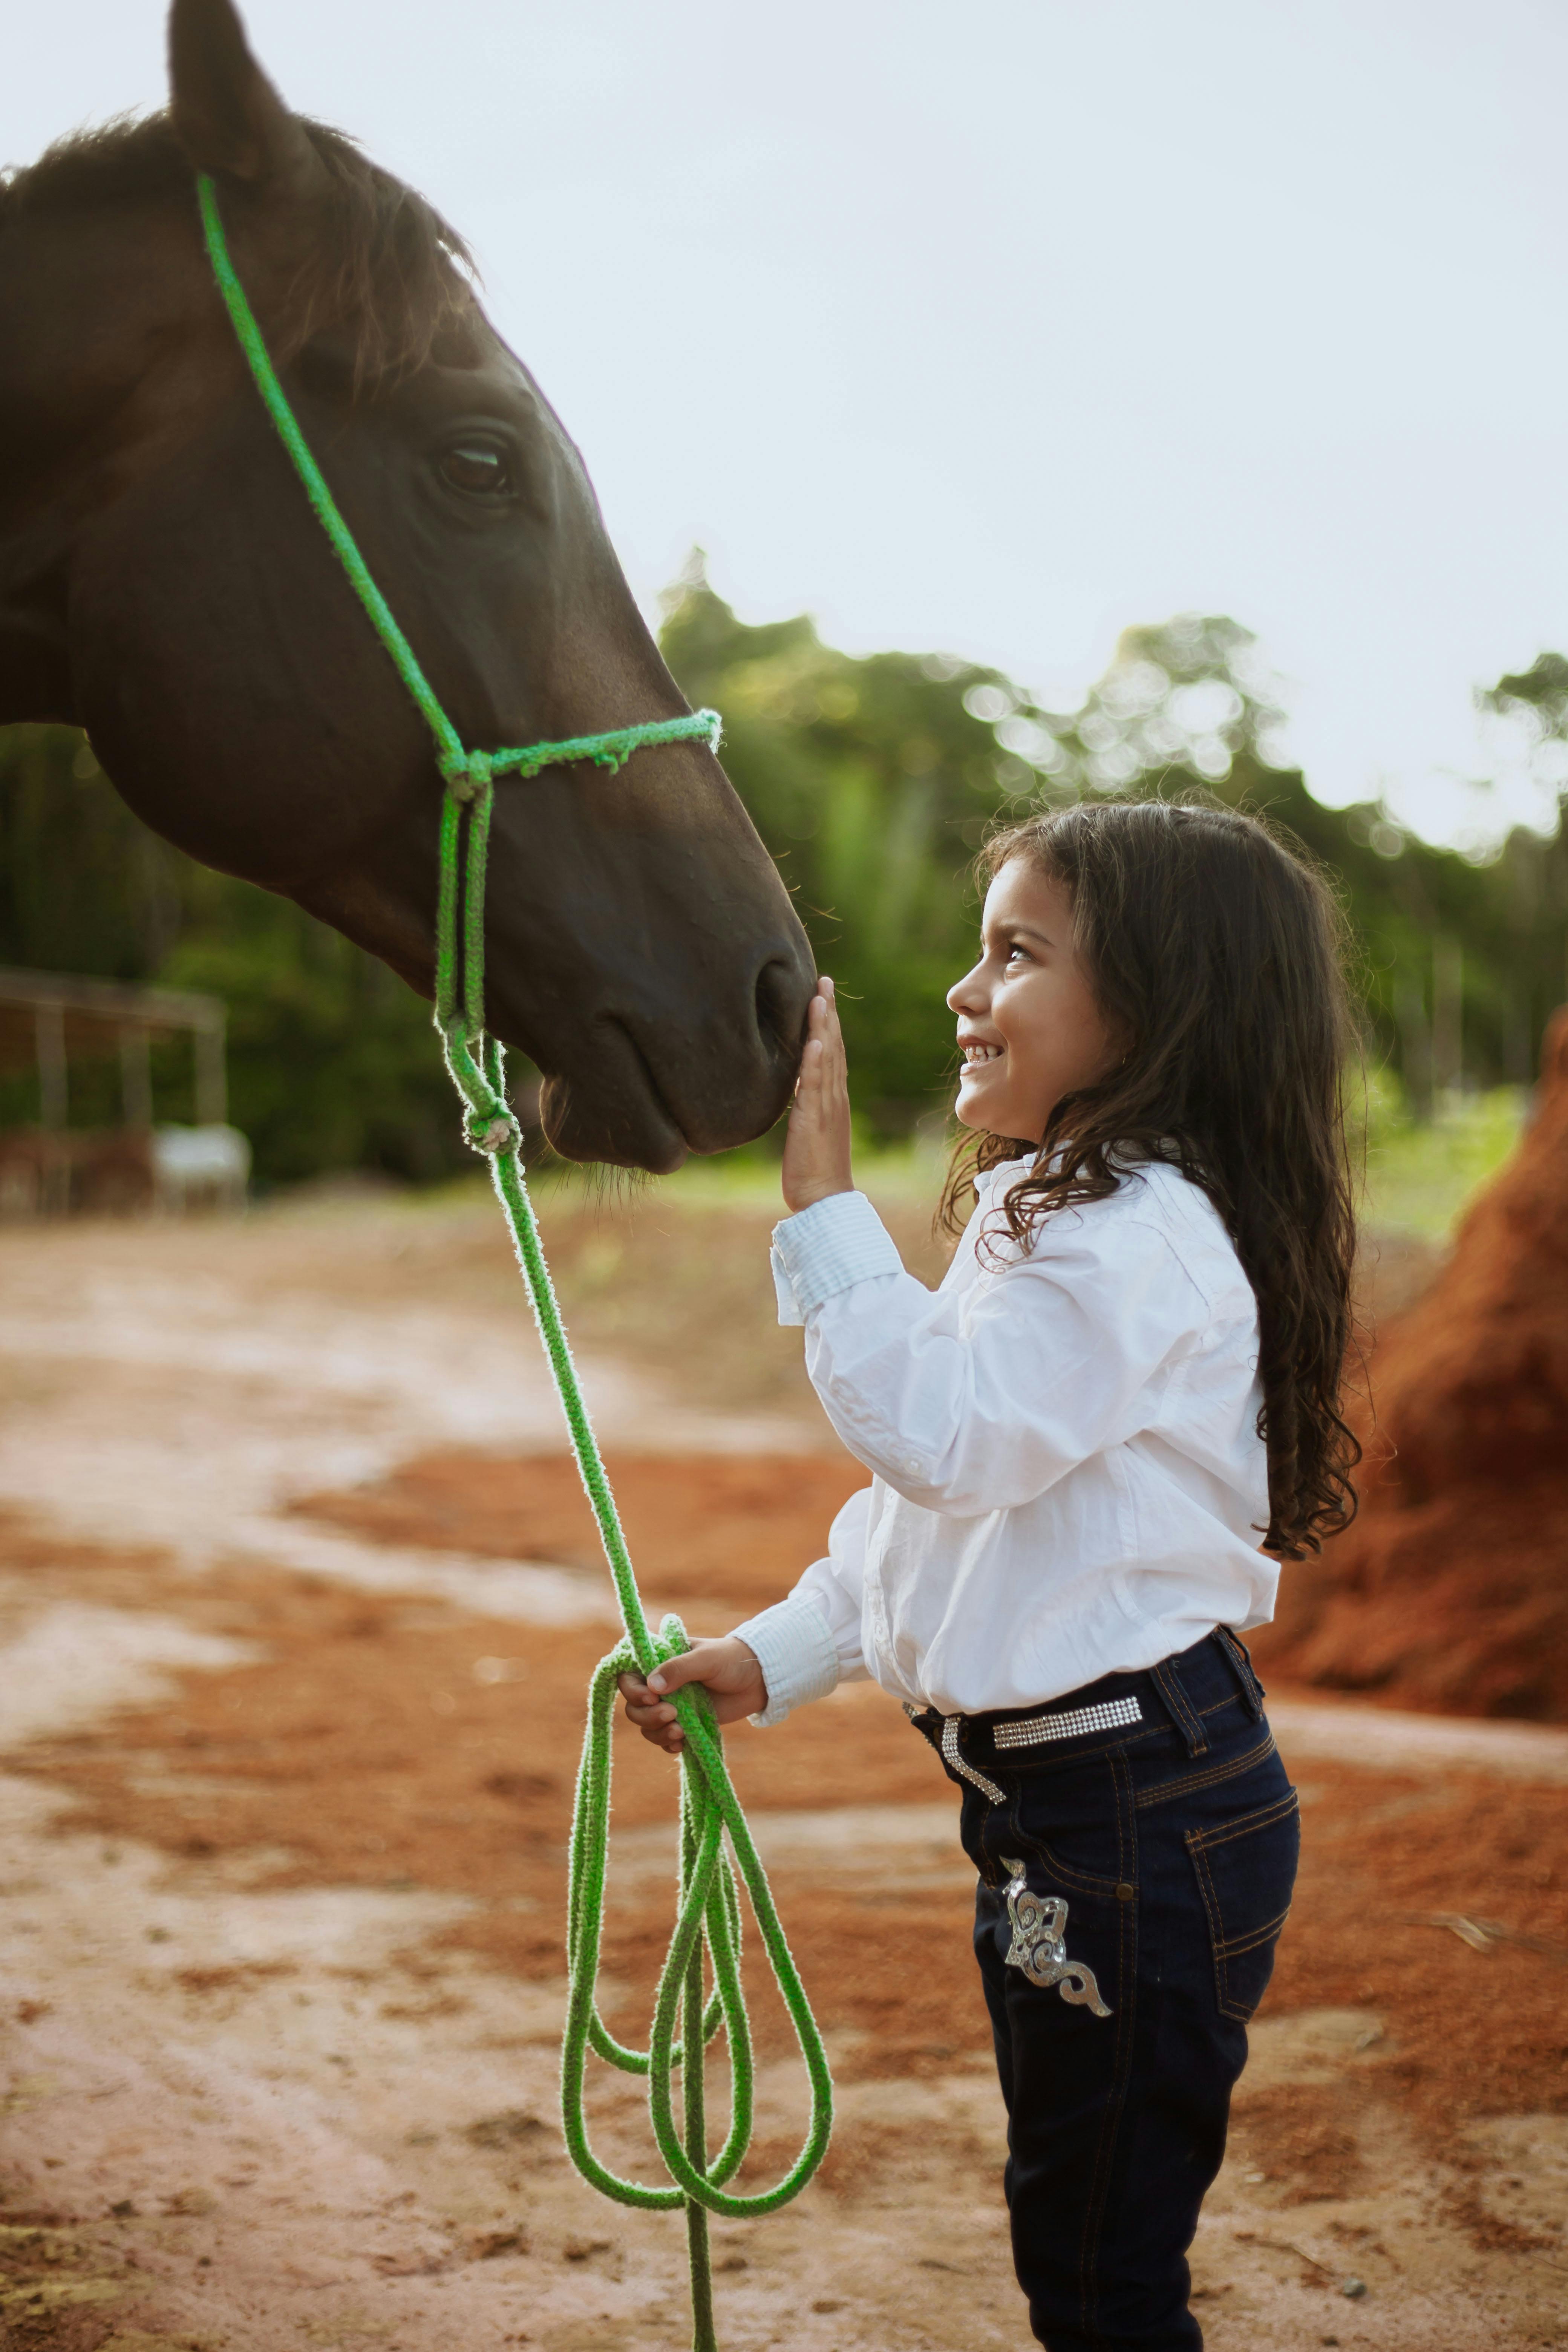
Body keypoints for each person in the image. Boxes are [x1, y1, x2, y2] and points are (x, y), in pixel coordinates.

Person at [619, 797, 1360, 2352]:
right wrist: (780, 1652)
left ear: (1159, 1007)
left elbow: (938, 1442)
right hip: (1071, 1809)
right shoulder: (1056, 1210)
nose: (964, 993)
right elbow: (934, 1526)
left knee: (1096, 2261)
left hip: (1138, 1815)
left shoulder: (1133, 1237)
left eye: (1014, 954)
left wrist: (822, 1200)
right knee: (1071, 2215)